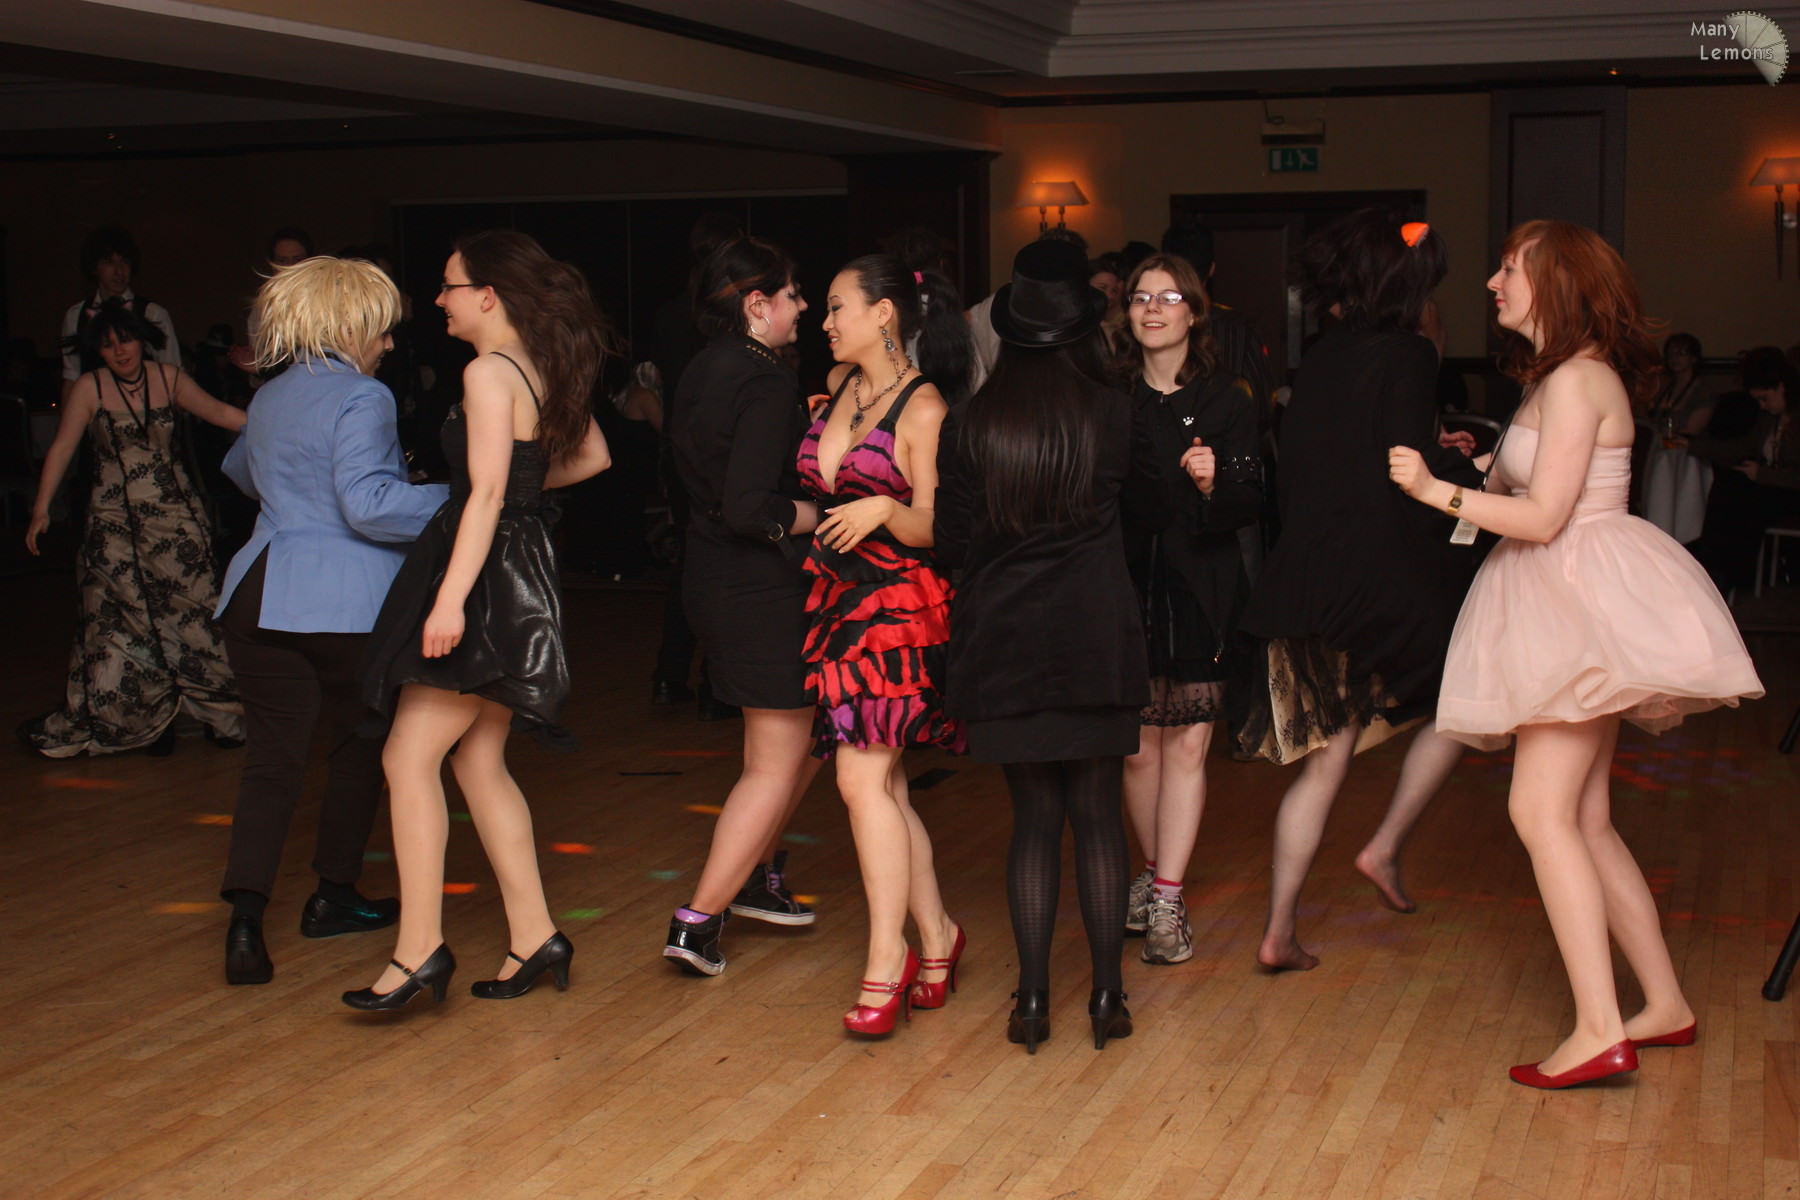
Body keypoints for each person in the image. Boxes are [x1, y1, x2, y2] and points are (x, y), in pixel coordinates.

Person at [1388, 220, 1762, 1088]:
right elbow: (1541, 479)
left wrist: (1435, 490)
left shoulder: (1576, 379)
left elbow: (1547, 517)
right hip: (1569, 596)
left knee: (1541, 812)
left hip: (1572, 597)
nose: (1492, 282)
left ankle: (1598, 1029)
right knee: (1585, 819)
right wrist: (1486, 461)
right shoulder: (1561, 378)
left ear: (1554, 284)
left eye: (1509, 269)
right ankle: (1662, 1004)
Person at [348, 230, 614, 1010]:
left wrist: (448, 600)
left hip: (486, 579)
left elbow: (488, 493)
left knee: (407, 759)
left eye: (449, 285)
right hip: (517, 570)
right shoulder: (539, 366)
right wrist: (521, 489)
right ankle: (535, 935)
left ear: (487, 295)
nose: (439, 300)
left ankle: (418, 952)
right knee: (477, 761)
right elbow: (593, 456)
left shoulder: (488, 372)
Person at [1234, 211, 1484, 972]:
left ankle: (1279, 932)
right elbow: (1407, 477)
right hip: (1374, 580)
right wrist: (1470, 474)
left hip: (1307, 581)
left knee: (1326, 760)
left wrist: (1432, 450)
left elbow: (1343, 457)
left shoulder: (1323, 355)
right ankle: (1383, 846)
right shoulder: (1409, 352)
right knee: (1468, 701)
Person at [935, 239, 1167, 1053]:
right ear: (1082, 331)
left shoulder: (972, 421)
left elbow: (952, 543)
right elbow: (1148, 520)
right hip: (1094, 634)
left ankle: (1031, 1002)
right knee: (1098, 817)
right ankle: (1107, 997)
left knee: (1033, 820)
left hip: (1003, 640)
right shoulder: (1114, 413)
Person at [213, 257, 449, 986]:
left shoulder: (272, 393)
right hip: (343, 601)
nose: (388, 344)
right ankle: (333, 896)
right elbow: (369, 506)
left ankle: (245, 920)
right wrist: (464, 498)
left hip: (258, 589)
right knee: (360, 744)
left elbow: (240, 471)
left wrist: (297, 495)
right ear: (349, 327)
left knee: (271, 761)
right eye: (381, 330)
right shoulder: (364, 395)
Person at [802, 254, 969, 1035]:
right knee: (888, 790)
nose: (825, 321)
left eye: (838, 306)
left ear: (884, 314)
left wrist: (882, 510)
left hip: (898, 613)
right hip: (836, 603)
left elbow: (936, 525)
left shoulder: (924, 406)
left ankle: (885, 959)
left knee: (860, 780)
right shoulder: (840, 386)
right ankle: (937, 935)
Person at [661, 234, 823, 977]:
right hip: (758, 588)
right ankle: (697, 920)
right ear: (757, 304)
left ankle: (756, 875)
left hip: (711, 577)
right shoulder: (764, 380)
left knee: (806, 745)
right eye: (793, 295)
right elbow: (751, 507)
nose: (804, 307)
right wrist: (827, 513)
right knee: (774, 762)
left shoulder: (703, 367)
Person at [1117, 253, 1263, 965]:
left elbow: (1253, 497)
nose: (1152, 308)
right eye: (1140, 297)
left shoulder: (1228, 397)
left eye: (1168, 297)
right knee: (1138, 750)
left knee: (1188, 745)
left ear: (1195, 311)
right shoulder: (1112, 397)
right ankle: (1153, 874)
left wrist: (1213, 484)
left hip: (1201, 584)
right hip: (1126, 585)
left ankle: (1168, 896)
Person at [22, 301, 245, 757]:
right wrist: (41, 509)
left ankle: (218, 715)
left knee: (196, 612)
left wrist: (292, 414)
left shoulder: (170, 378)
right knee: (121, 624)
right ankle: (146, 722)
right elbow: (62, 447)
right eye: (108, 345)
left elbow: (225, 416)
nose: (120, 351)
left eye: (125, 340)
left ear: (142, 339)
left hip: (175, 521)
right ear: (97, 351)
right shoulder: (89, 387)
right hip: (113, 526)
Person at [60, 227, 180, 404]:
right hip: (93, 414)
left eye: (124, 262)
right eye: (109, 262)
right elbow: (71, 377)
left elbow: (174, 376)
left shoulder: (152, 313)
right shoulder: (76, 315)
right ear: (94, 268)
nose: (119, 271)